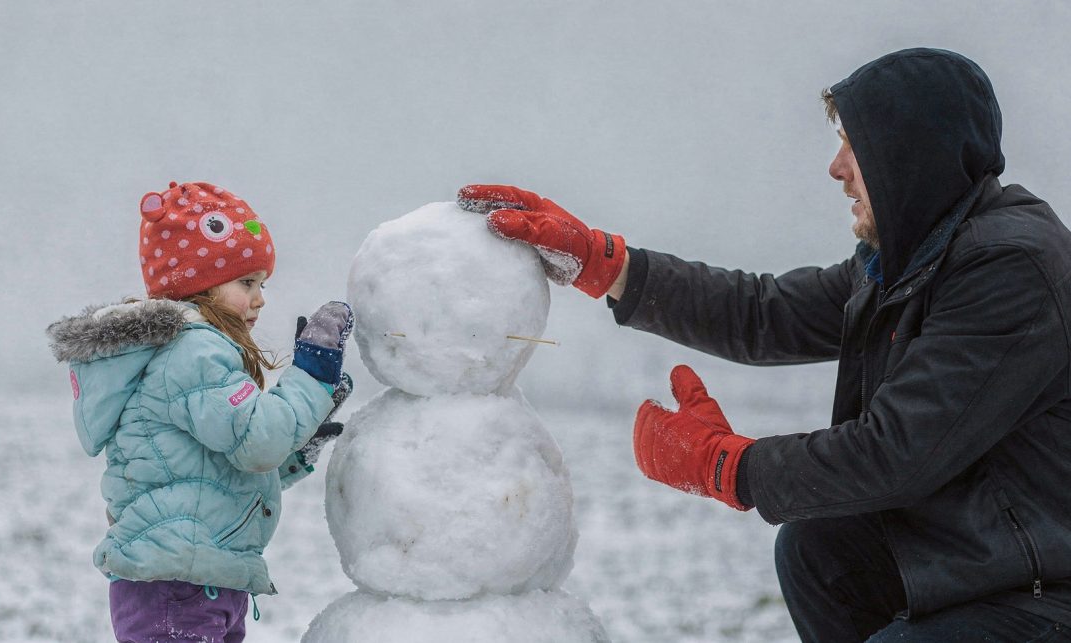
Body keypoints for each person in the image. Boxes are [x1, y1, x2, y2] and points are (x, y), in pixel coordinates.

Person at [458, 48, 1071, 641]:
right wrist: (604, 262)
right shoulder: (910, 260)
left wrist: (725, 465)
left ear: (911, 156)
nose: (837, 168)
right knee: (820, 547)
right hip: (989, 557)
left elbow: (896, 455)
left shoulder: (1007, 267)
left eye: (855, 147)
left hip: (1045, 587)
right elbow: (763, 313)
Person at [47, 181, 354, 643]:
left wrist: (298, 446)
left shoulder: (197, 353)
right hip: (176, 587)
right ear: (200, 286)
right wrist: (312, 373)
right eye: (246, 282)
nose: (260, 298)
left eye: (262, 283)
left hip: (200, 580)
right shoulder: (193, 351)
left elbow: (223, 471)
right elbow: (258, 443)